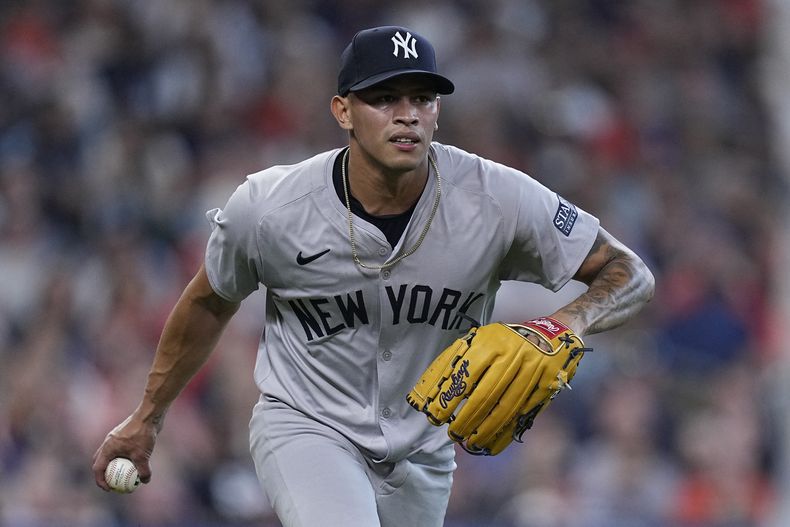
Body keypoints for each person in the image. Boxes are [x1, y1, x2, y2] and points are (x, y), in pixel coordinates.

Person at [92, 25, 655, 526]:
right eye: (384, 98)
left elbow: (629, 272)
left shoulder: (499, 197)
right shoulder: (269, 207)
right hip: (307, 426)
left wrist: (564, 326)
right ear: (343, 111)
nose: (407, 113)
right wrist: (148, 417)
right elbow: (209, 302)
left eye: (422, 98)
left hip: (423, 452)